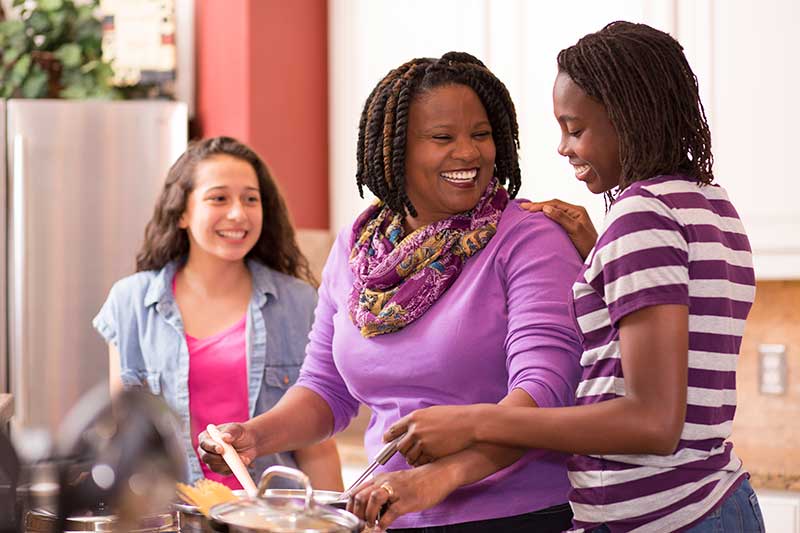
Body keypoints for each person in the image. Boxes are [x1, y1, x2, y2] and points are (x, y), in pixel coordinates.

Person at [384, 22, 765, 533]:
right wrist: (599, 256)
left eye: (575, 128)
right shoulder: (706, 204)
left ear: (630, 117)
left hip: (669, 516)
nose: (563, 147)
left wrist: (473, 419)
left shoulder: (643, 216)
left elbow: (652, 422)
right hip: (707, 504)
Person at [199, 52, 584, 531]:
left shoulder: (530, 239)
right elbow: (326, 391)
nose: (468, 153)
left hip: (516, 515)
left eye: (481, 135)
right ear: (396, 149)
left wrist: (437, 478)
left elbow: (544, 394)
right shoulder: (357, 250)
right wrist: (255, 436)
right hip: (387, 514)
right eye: (442, 138)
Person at [93, 136, 343, 491]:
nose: (238, 213)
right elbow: (124, 440)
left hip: (269, 518)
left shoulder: (299, 303)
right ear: (181, 212)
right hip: (173, 516)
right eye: (219, 198)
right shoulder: (130, 303)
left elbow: (316, 446)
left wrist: (333, 524)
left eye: (251, 199)